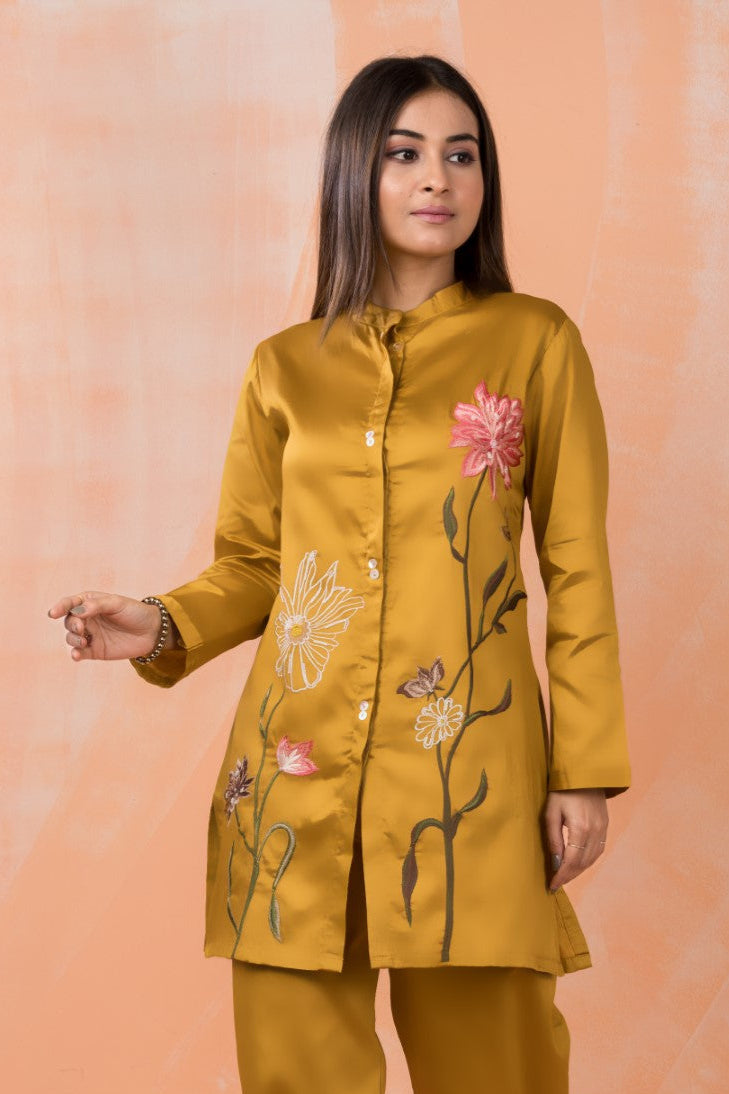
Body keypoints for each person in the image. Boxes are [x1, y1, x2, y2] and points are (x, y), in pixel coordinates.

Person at [48, 54, 631, 1094]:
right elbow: (258, 562)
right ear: (353, 171)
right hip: (294, 771)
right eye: (405, 153)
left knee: (497, 1069)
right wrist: (161, 621)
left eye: (462, 155)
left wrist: (579, 769)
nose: (437, 178)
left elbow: (577, 566)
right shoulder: (285, 365)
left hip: (468, 770)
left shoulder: (535, 342)